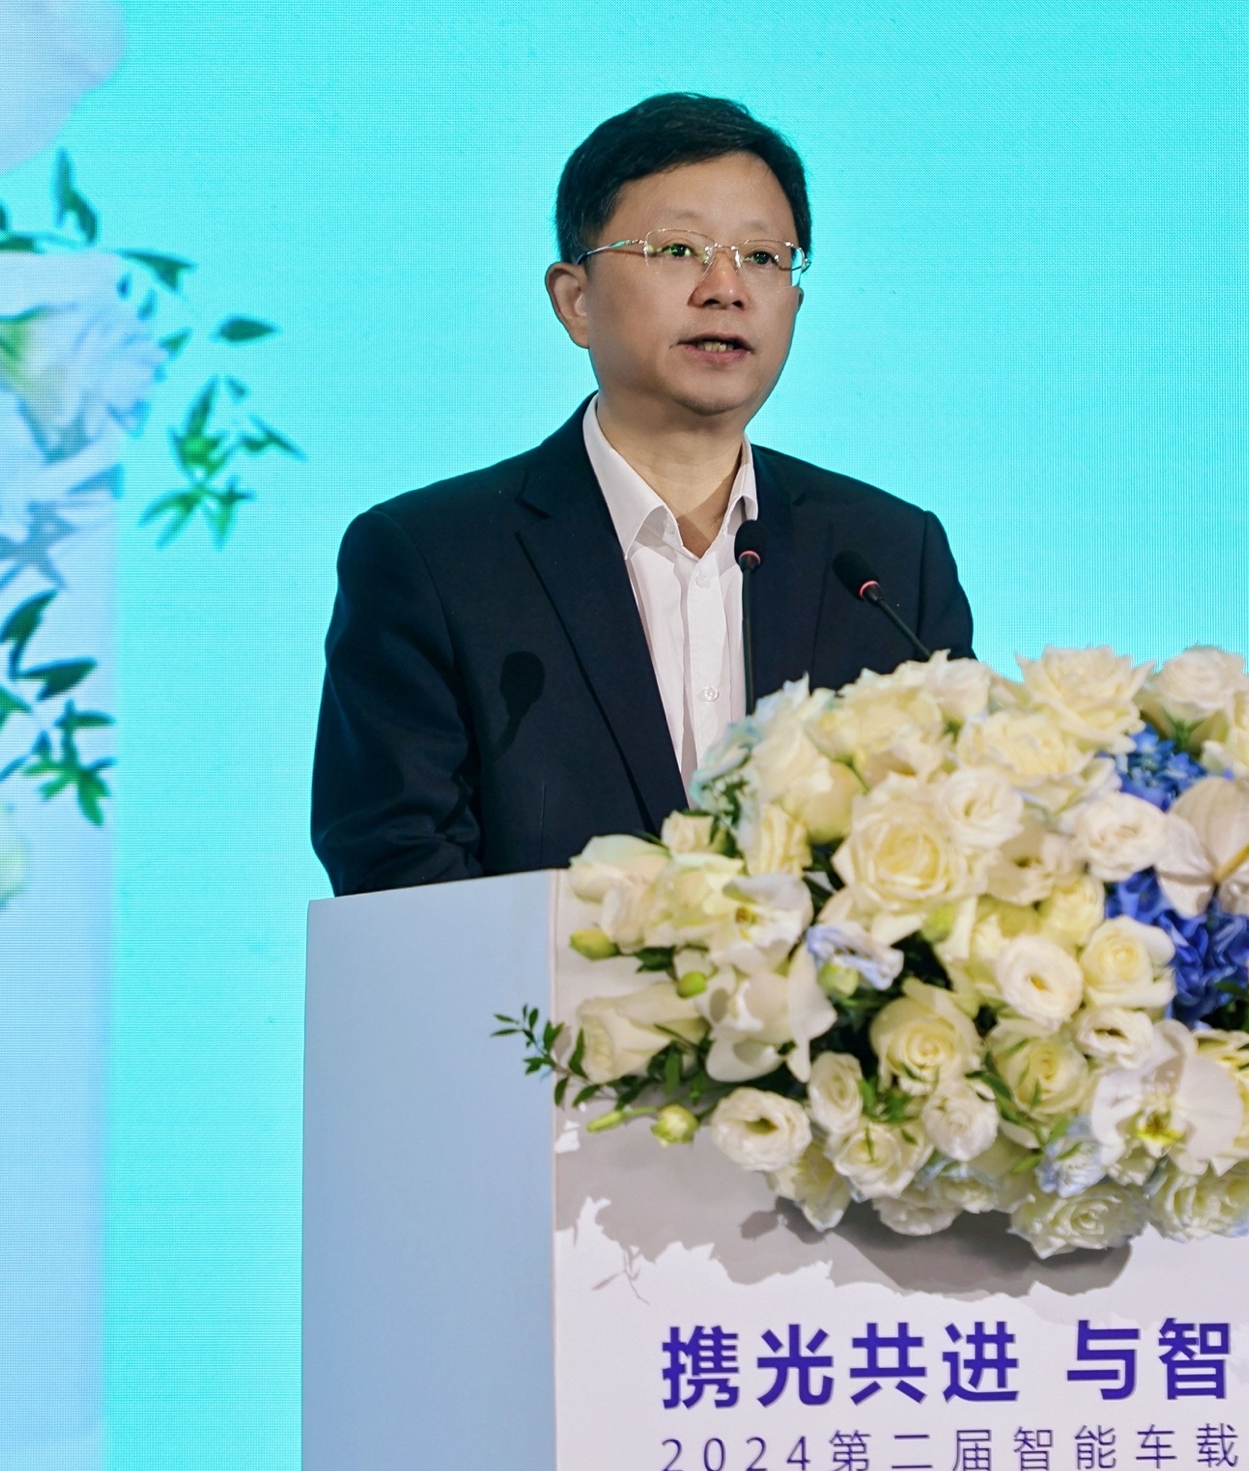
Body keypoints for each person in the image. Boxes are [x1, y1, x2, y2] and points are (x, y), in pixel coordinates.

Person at [311, 93, 974, 892]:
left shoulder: (887, 559)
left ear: (794, 300)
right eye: (678, 249)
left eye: (763, 257)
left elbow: (958, 836)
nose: (725, 287)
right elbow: (398, 873)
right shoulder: (433, 561)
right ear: (575, 300)